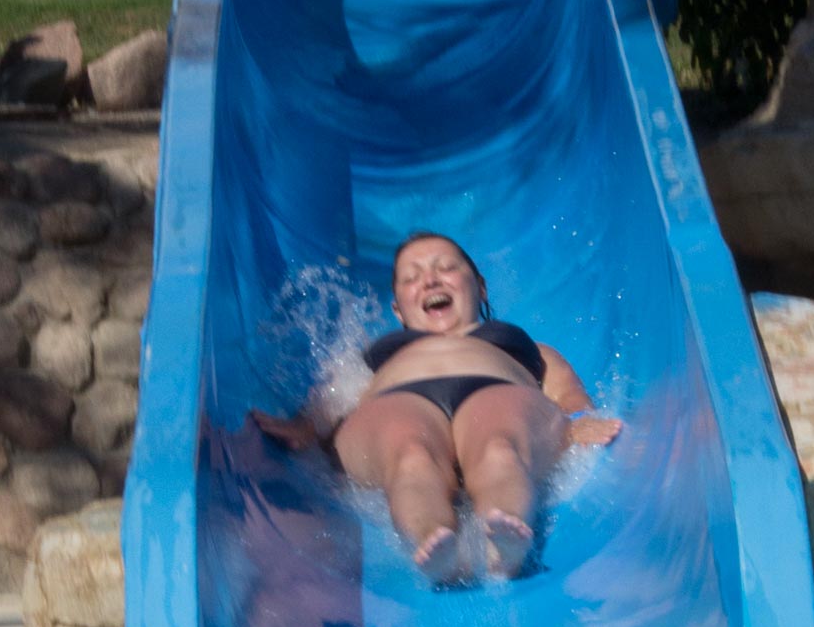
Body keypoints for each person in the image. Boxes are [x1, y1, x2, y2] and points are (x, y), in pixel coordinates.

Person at [254, 232, 621, 585]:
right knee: (410, 458)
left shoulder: (527, 349)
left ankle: (505, 543)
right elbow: (331, 399)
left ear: (480, 287)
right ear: (398, 310)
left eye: (446, 268)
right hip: (401, 400)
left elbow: (567, 393)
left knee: (500, 448)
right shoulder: (373, 355)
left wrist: (579, 421)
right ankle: (435, 545)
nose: (430, 281)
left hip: (496, 392)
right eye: (411, 278)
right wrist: (305, 426)